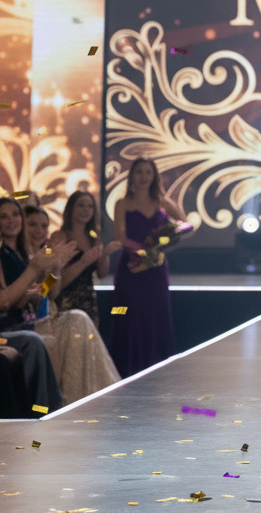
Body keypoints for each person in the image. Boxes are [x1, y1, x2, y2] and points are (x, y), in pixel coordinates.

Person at [24, 202, 121, 404]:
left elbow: (50, 293)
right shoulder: (19, 256)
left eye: (44, 226)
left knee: (80, 319)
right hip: (28, 323)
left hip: (49, 315)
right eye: (32, 225)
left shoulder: (43, 254)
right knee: (78, 321)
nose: (39, 231)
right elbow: (31, 295)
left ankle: (97, 398)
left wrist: (55, 271)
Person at [109, 158, 185, 377]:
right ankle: (127, 370)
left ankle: (158, 369)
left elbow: (185, 225)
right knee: (129, 317)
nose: (143, 177)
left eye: (148, 172)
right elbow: (120, 237)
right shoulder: (122, 203)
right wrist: (145, 250)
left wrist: (164, 243)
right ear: (132, 176)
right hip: (131, 269)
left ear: (154, 176)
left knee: (156, 316)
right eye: (139, 172)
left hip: (155, 271)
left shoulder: (163, 202)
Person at [0, 196, 75, 414]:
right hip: (10, 325)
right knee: (41, 338)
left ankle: (53, 408)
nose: (11, 220)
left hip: (27, 318)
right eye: (3, 216)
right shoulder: (4, 255)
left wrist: (54, 272)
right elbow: (7, 301)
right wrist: (35, 271)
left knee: (74, 321)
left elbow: (41, 294)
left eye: (15, 214)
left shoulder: (23, 254)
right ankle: (44, 412)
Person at [50, 190, 121, 329]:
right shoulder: (59, 237)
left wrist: (105, 255)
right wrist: (83, 262)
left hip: (89, 300)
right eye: (81, 205)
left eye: (90, 206)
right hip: (65, 302)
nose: (86, 210)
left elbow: (101, 274)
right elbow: (54, 281)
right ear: (71, 208)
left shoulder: (93, 238)